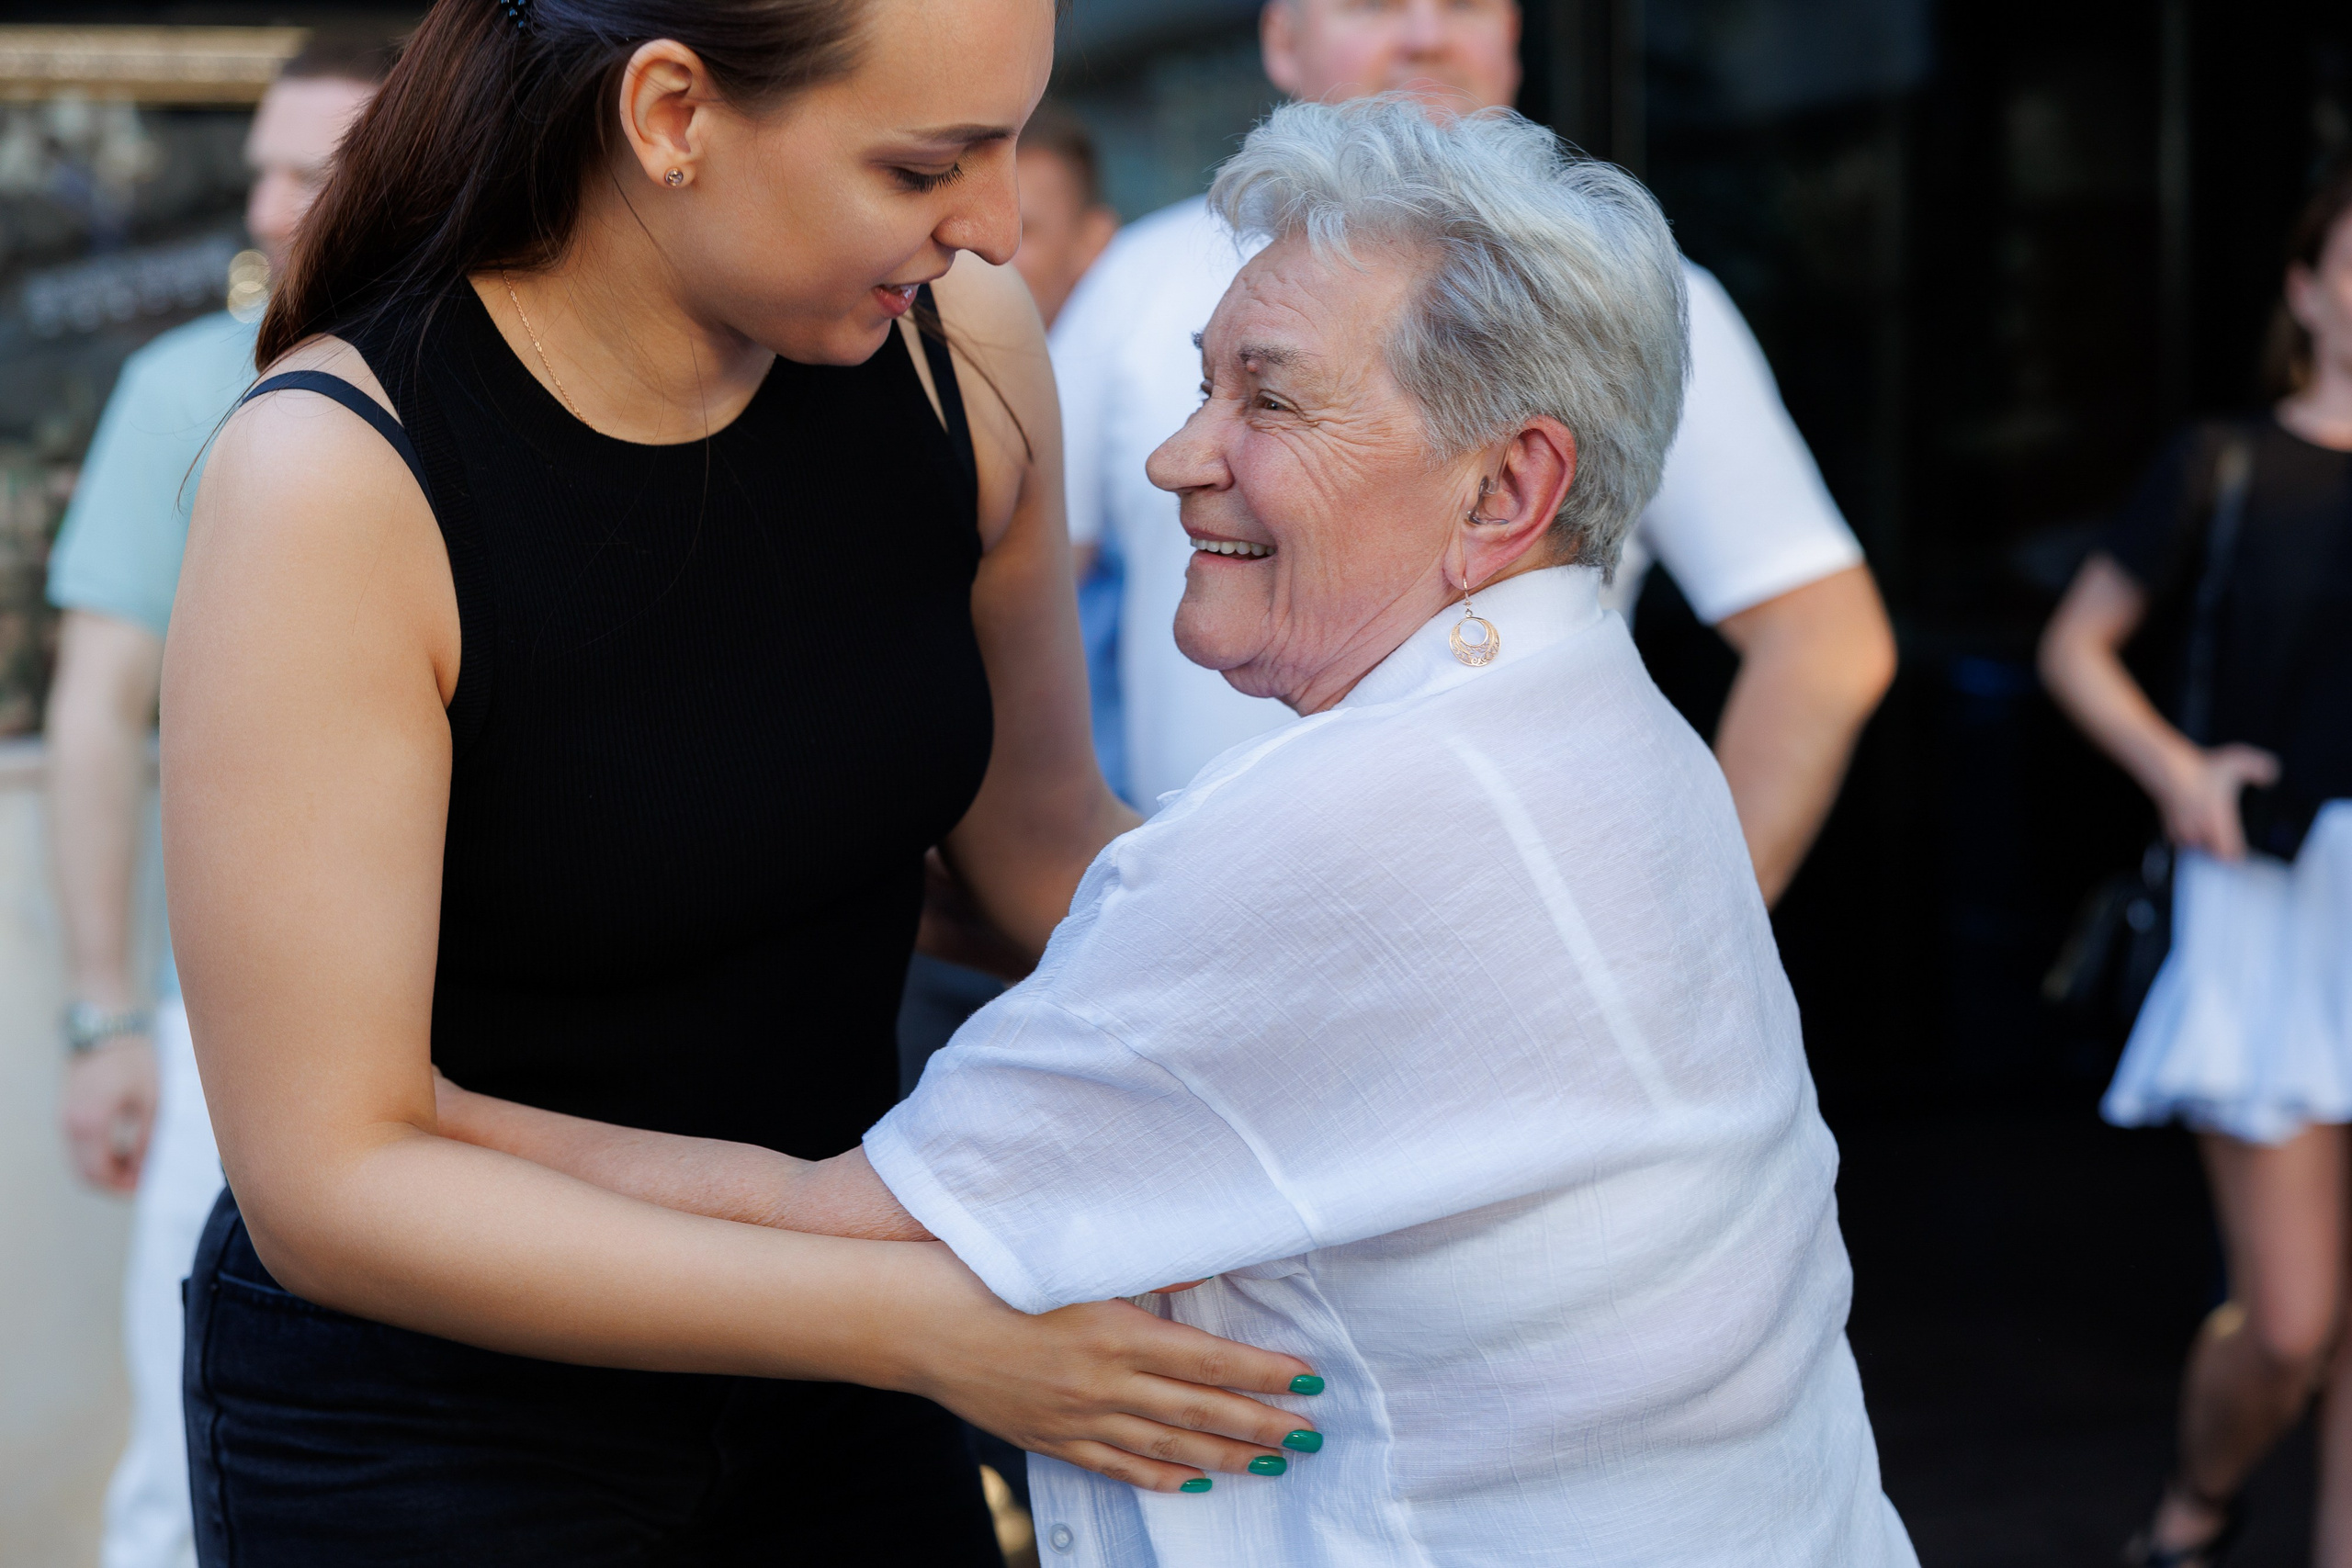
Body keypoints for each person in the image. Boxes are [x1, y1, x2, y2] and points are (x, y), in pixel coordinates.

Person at [439, 97, 1920, 1567]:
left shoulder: (1362, 821)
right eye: (1205, 387)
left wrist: (399, 1118)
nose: (1176, 458)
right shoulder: (1609, 720)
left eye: (1267, 401)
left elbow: (849, 1236)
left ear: (1509, 486)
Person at [160, 1, 1320, 1562]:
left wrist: (1390, 1003)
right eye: (927, 164)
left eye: (1008, 147)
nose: (993, 223)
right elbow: (330, 1177)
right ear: (671, 116)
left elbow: (1044, 862)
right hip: (435, 1416)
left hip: (846, 1345)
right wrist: (914, 1316)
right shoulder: (338, 477)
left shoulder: (959, 358)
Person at [1052, 0, 1895, 903]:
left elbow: (1822, 639)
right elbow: (1023, 595)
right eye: (1372, 4)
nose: (1425, 34)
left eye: (1465, 2)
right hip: (1183, 944)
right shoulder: (1136, 279)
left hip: (1501, 944)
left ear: (1511, 46)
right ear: (1280, 42)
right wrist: (1084, 916)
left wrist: (1689, 921)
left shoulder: (1630, 305)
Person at [42, 34, 392, 1568]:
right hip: (238, 1027)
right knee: (193, 1461)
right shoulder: (185, 384)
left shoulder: (522, 380)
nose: (265, 203)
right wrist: (110, 1018)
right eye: (260, 163)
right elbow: (98, 711)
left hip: (498, 1033)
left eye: (310, 172)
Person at [2041, 164, 2352, 1568]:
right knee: (2290, 1323)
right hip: (2272, 901)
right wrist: (2179, 769)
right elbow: (2076, 643)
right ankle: (2199, 1505)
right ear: (2307, 285)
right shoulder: (2226, 461)